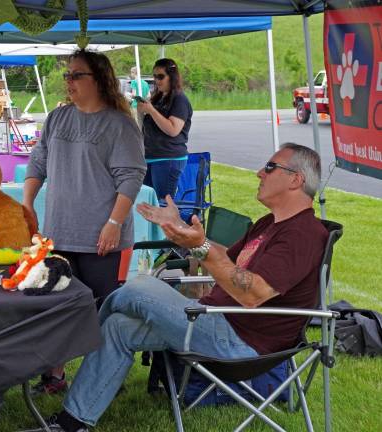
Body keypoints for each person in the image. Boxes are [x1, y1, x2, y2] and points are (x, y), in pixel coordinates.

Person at [44, 143, 328, 432]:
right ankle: (72, 422)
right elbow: (225, 261)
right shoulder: (270, 223)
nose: (259, 173)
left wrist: (200, 245)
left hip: (240, 343)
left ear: (296, 179)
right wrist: (184, 232)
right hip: (213, 321)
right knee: (118, 326)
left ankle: (72, 343)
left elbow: (252, 294)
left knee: (140, 287)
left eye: (270, 167)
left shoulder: (303, 234)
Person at [24, 49, 146, 395]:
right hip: (59, 232)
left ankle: (106, 377)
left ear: (100, 80)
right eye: (67, 76)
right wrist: (28, 204)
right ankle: (54, 377)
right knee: (56, 306)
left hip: (101, 238)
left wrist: (113, 223)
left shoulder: (120, 124)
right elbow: (38, 162)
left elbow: (130, 178)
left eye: (77, 75)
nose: (69, 82)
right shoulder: (58, 118)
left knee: (103, 311)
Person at [136, 58, 192, 201]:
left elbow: (173, 130)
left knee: (162, 205)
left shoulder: (180, 99)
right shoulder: (158, 97)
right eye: (154, 76)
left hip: (168, 158)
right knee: (147, 203)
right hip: (151, 157)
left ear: (171, 77)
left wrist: (152, 111)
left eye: (161, 76)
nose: (157, 80)